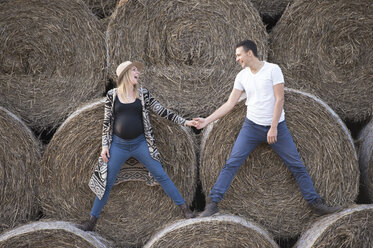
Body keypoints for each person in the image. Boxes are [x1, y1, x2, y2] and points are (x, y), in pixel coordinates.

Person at [195, 40, 342, 217]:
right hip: (251, 128)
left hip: (277, 127)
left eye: (238, 55)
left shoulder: (273, 70)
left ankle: (315, 203)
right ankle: (213, 204)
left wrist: (273, 128)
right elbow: (230, 104)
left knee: (296, 165)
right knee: (232, 163)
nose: (237, 59)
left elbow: (279, 99)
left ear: (250, 53)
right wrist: (206, 121)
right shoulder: (242, 76)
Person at [78, 61, 196, 231]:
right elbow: (107, 123)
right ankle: (91, 221)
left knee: (161, 175)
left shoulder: (143, 94)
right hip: (118, 146)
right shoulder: (112, 95)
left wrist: (185, 122)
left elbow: (162, 111)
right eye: (134, 70)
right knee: (106, 181)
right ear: (125, 74)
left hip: (140, 144)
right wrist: (105, 146)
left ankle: (186, 210)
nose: (138, 72)